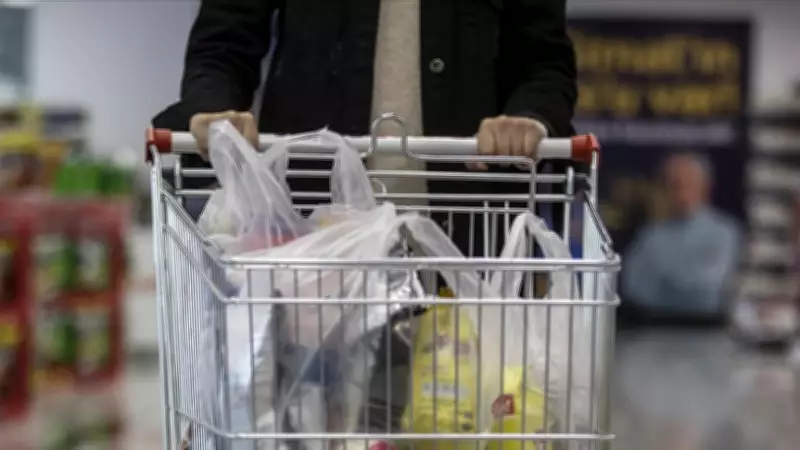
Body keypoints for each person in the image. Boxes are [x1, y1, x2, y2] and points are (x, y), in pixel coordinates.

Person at [153, 0, 577, 256]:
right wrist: (214, 112)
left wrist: (529, 118)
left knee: (472, 381)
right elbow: (224, 43)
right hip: (314, 245)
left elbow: (544, 62)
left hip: (470, 241)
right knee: (312, 380)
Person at [620, 152, 741, 324]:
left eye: (688, 184)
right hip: (654, 326)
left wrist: (662, 279)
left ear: (704, 187)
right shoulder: (651, 234)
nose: (681, 192)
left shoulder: (725, 232)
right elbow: (633, 288)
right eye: (674, 185)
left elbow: (708, 286)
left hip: (707, 326)